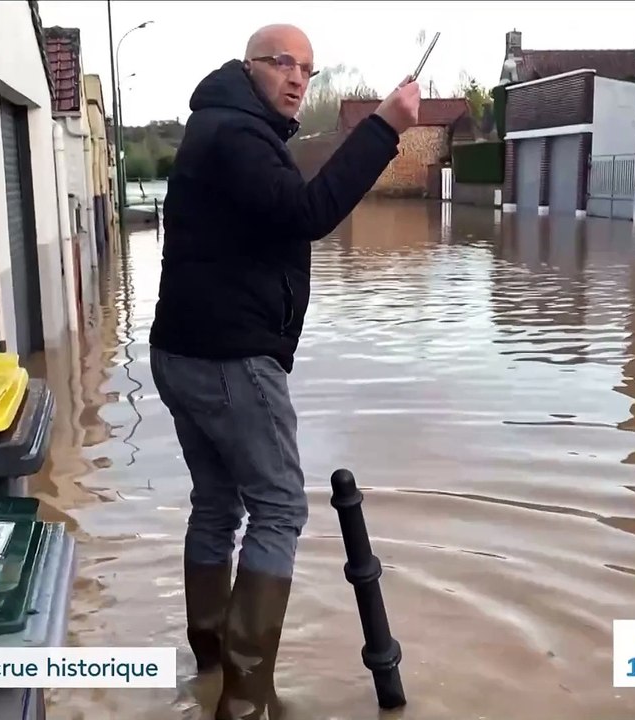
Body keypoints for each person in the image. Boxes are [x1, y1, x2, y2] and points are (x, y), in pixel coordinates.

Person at [148, 22, 421, 720]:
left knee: (217, 502)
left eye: (308, 69)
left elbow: (280, 206)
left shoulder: (223, 128)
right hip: (228, 361)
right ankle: (243, 701)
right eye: (281, 64)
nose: (297, 79)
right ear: (249, 68)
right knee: (279, 508)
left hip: (181, 352)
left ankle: (209, 666)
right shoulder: (237, 136)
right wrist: (386, 127)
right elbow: (310, 212)